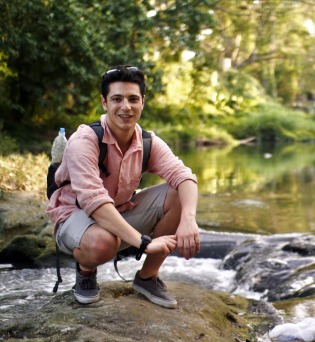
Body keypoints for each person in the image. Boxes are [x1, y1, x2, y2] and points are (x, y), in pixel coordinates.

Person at [46, 65, 200, 308]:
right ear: (104, 103)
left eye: (133, 99)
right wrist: (145, 242)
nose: (126, 107)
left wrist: (189, 219)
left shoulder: (148, 141)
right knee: (103, 242)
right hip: (74, 217)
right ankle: (86, 271)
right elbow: (94, 203)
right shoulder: (84, 141)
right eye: (117, 99)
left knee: (179, 194)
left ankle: (147, 277)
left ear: (142, 102)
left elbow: (185, 176)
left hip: (119, 211)